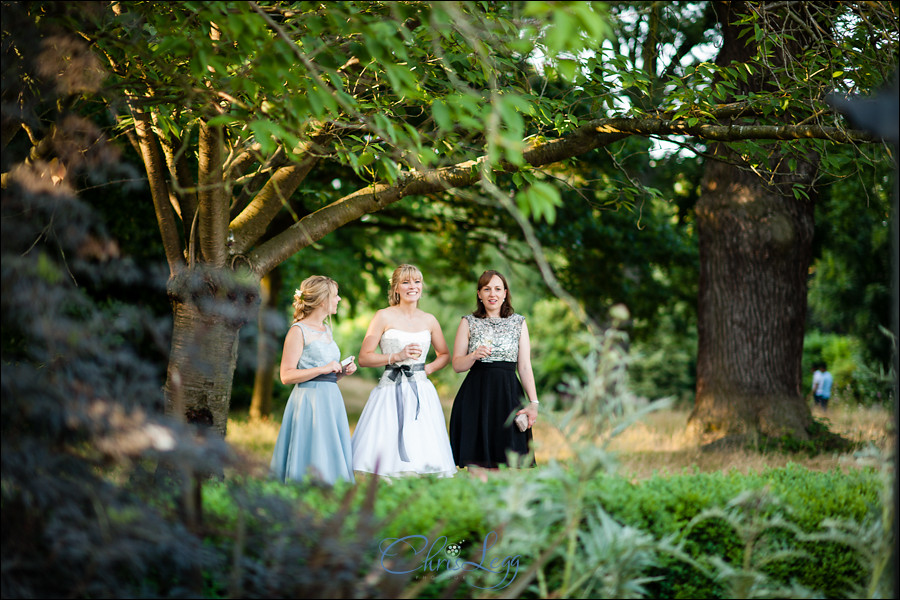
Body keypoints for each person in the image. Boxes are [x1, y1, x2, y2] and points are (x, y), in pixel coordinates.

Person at [351, 264, 457, 478]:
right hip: (390, 387)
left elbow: (444, 354)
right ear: (396, 288)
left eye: (417, 282)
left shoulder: (429, 320)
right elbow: (364, 358)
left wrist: (427, 369)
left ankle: (420, 480)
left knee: (421, 439)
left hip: (421, 390)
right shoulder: (382, 316)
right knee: (386, 441)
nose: (413, 286)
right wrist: (396, 356)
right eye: (406, 282)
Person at [270, 275, 357, 485]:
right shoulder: (297, 331)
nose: (339, 300)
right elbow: (286, 375)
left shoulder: (327, 330)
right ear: (322, 301)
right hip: (309, 401)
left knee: (329, 449)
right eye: (335, 296)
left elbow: (326, 375)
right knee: (311, 449)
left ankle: (331, 494)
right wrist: (323, 368)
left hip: (331, 399)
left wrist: (342, 372)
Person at [449, 270, 539, 470]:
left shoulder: (519, 322)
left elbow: (524, 366)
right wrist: (473, 356)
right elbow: (456, 365)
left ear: (505, 293)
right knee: (478, 462)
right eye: (487, 289)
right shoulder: (468, 322)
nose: (493, 294)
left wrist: (533, 403)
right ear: (479, 294)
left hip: (508, 396)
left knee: (509, 462)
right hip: (476, 397)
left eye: (498, 289)